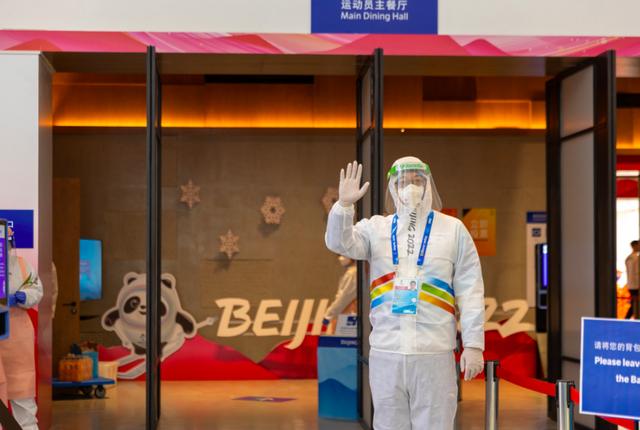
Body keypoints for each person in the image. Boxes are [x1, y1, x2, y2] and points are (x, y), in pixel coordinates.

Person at [325, 157, 485, 430]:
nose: (410, 187)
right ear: (392, 187)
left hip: (434, 353)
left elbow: (471, 289)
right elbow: (339, 243)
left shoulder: (452, 229)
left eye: (417, 180)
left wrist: (473, 344)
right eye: (403, 182)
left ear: (428, 185)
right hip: (387, 352)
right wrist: (343, 207)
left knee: (435, 424)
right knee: (389, 424)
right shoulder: (376, 228)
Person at [0, 228, 43, 430]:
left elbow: (36, 288)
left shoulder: (22, 265)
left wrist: (24, 296)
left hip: (17, 336)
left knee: (22, 391)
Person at [322, 256, 357, 332]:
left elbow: (343, 298)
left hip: (347, 316)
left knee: (344, 337)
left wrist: (328, 315)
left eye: (344, 254)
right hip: (347, 315)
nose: (341, 258)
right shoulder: (353, 272)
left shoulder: (352, 274)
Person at [625, 240, 639, 319]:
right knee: (635, 305)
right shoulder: (632, 258)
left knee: (635, 305)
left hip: (633, 285)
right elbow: (634, 273)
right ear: (634, 246)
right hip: (634, 286)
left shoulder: (633, 258)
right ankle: (626, 320)